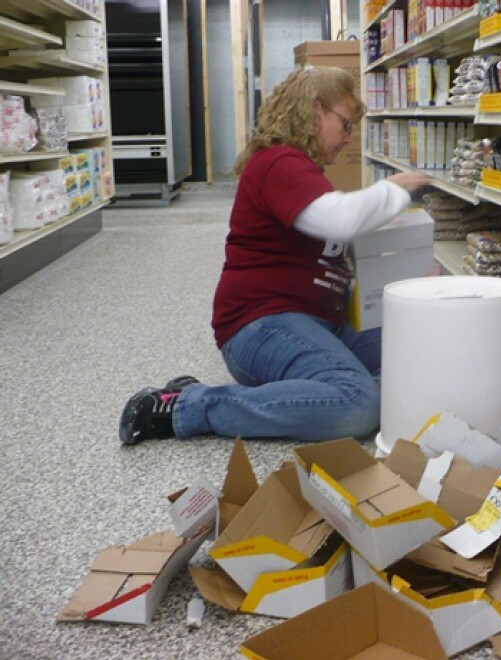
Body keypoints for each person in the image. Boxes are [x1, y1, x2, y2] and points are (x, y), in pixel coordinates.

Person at [119, 66, 432, 445]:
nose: (349, 139)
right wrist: (395, 189)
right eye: (346, 124)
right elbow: (341, 219)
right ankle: (187, 405)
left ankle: (336, 390)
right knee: (358, 404)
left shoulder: (304, 171)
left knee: (419, 339)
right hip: (260, 326)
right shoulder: (278, 163)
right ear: (316, 110)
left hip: (321, 323)